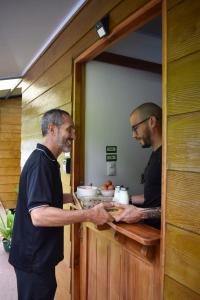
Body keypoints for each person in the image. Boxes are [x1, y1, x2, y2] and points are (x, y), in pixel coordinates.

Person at [9, 109, 113, 300]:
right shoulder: (41, 163)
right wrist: (89, 215)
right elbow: (39, 215)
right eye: (69, 129)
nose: (74, 135)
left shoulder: (47, 160)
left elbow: (47, 198)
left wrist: (79, 198)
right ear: (52, 129)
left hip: (39, 258)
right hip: (33, 259)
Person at [114, 102, 162, 229]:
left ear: (152, 121)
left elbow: (179, 207)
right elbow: (153, 196)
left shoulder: (170, 156)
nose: (133, 135)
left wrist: (141, 214)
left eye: (135, 128)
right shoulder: (155, 154)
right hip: (150, 231)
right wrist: (123, 198)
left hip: (164, 237)